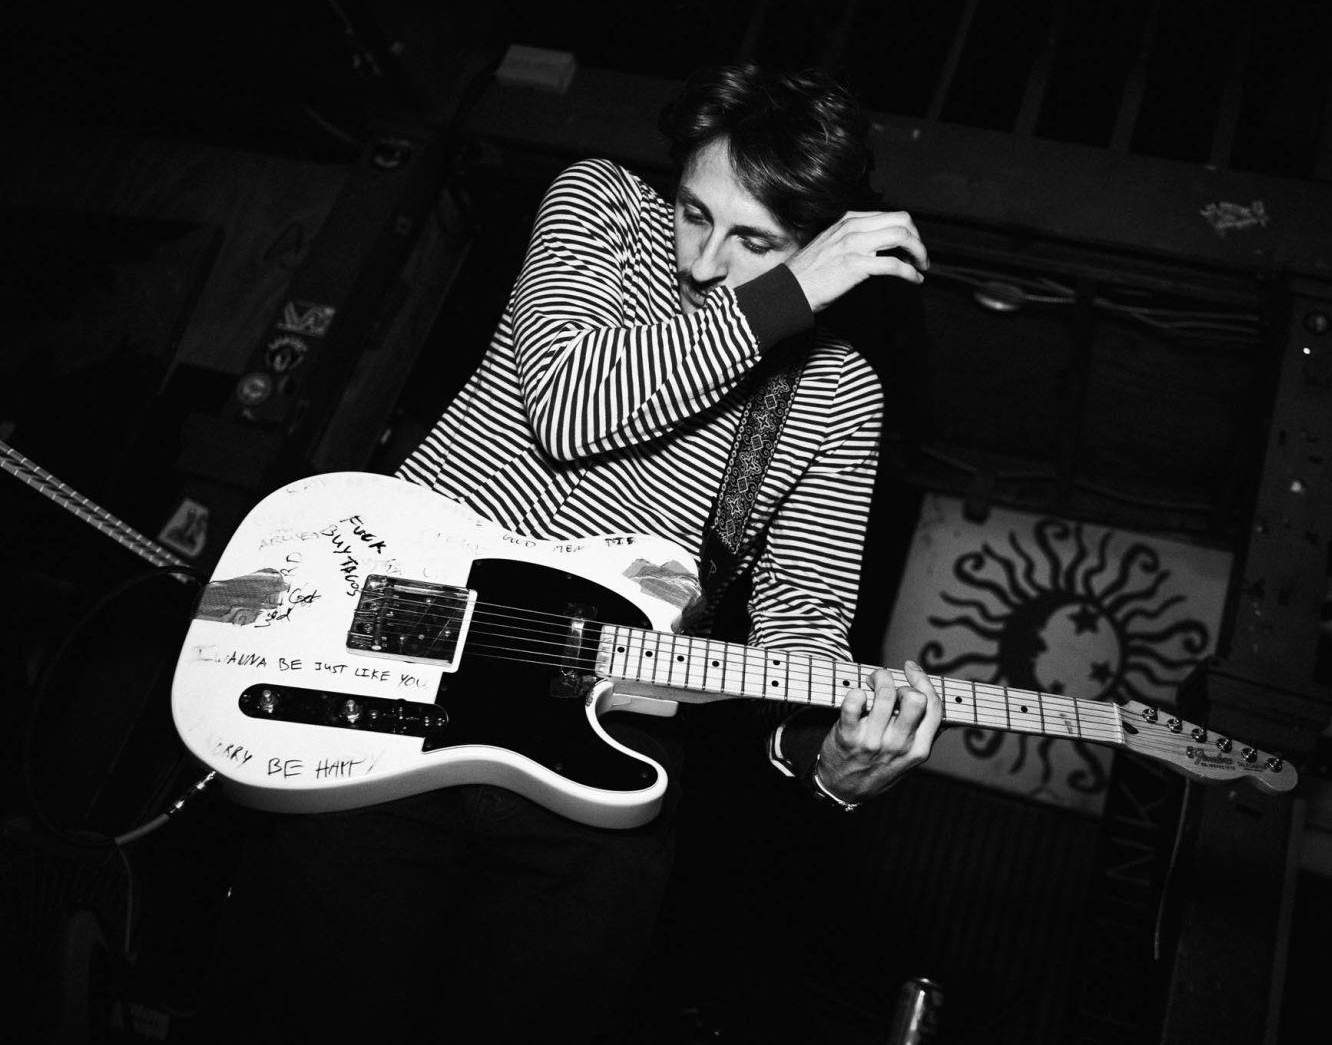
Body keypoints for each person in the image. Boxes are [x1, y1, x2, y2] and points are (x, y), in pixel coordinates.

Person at [192, 62, 941, 1044]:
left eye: (757, 241)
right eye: (696, 213)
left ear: (823, 242)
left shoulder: (834, 392)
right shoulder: (603, 209)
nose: (706, 261)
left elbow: (801, 640)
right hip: (389, 685)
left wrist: (832, 761)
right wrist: (783, 290)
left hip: (595, 768)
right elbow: (571, 403)